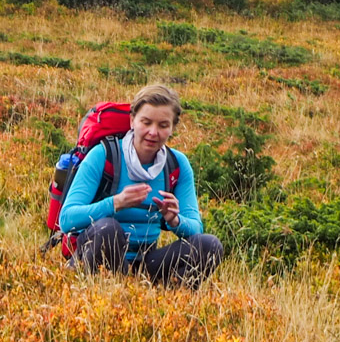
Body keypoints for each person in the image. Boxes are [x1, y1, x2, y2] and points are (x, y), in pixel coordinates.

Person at [57, 83, 223, 288]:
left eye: (163, 125)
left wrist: (175, 221)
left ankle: (171, 307)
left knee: (210, 245)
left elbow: (196, 228)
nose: (153, 132)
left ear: (172, 128)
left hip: (147, 262)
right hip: (96, 255)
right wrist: (115, 203)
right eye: (146, 122)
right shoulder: (104, 155)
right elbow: (66, 220)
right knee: (109, 229)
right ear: (132, 120)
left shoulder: (177, 165)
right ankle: (106, 294)